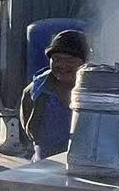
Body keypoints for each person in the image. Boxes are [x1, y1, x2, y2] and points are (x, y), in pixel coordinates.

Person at [20, 29, 88, 161]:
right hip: (44, 167)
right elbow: (28, 127)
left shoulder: (96, 92)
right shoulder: (36, 91)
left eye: (70, 60)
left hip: (87, 167)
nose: (62, 65)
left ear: (84, 62)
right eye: (56, 59)